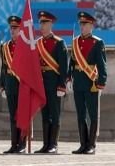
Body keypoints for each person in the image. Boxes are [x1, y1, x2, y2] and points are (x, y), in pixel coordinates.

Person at [69, 11, 107, 155]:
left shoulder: (97, 42)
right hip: (78, 82)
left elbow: (102, 64)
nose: (82, 26)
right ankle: (83, 144)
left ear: (91, 25)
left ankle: (91, 145)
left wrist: (101, 81)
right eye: (81, 24)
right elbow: (71, 62)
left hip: (91, 82)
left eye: (85, 24)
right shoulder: (75, 42)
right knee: (80, 114)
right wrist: (68, 78)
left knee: (92, 114)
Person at [34, 11, 68, 154]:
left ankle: (53, 144)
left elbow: (63, 66)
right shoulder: (38, 43)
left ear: (51, 24)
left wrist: (62, 85)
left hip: (54, 84)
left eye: (44, 23)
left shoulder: (58, 43)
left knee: (54, 114)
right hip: (42, 84)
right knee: (45, 114)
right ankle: (46, 144)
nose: (42, 25)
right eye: (41, 23)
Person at [0, 16, 26, 154]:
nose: (12, 30)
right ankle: (14, 144)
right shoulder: (5, 46)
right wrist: (2, 85)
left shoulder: (26, 47)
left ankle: (21, 144)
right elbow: (3, 68)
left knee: (22, 115)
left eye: (15, 28)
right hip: (10, 83)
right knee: (12, 116)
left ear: (21, 30)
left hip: (22, 84)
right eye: (11, 28)